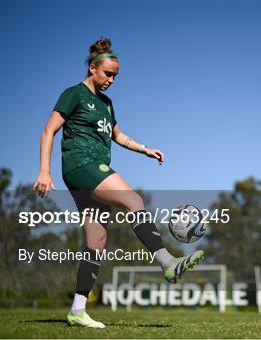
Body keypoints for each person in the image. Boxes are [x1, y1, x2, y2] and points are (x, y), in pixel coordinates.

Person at [33, 37, 204, 328]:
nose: (112, 80)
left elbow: (118, 136)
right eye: (107, 73)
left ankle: (77, 309)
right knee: (133, 200)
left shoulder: (107, 104)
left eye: (115, 76)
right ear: (92, 68)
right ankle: (166, 263)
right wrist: (44, 171)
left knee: (96, 241)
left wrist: (145, 149)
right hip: (81, 164)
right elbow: (49, 131)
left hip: (93, 169)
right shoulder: (73, 94)